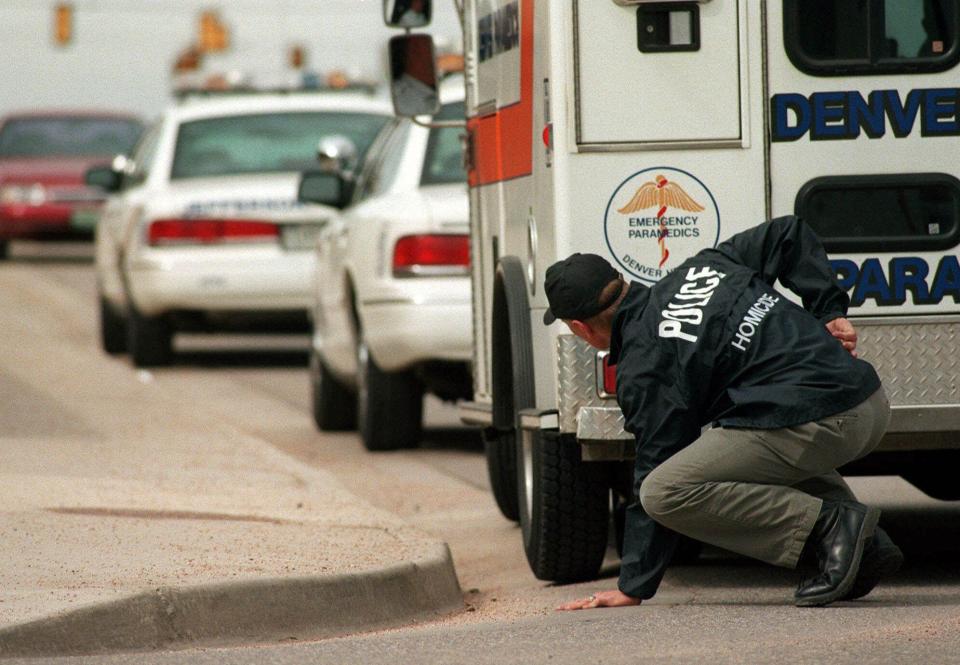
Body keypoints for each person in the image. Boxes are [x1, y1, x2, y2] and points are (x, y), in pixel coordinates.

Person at [545, 216, 903, 610]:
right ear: (622, 281)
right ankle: (867, 548)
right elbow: (788, 232)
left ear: (580, 328)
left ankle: (831, 529)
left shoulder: (645, 364)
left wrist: (633, 585)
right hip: (867, 397)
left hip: (828, 420)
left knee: (663, 493)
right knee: (735, 440)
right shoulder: (703, 267)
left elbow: (656, 467)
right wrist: (829, 310)